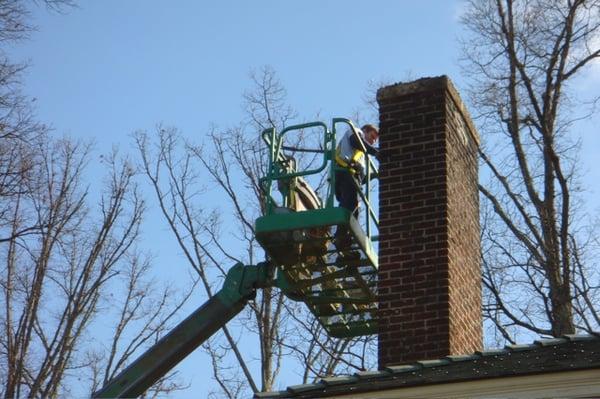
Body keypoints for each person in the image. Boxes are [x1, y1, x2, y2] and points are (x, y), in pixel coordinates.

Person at [333, 124, 379, 249]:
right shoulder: (354, 132)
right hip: (344, 172)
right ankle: (341, 236)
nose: (373, 141)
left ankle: (345, 238)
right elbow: (356, 142)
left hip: (350, 176)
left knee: (353, 208)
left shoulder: (361, 155)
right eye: (372, 136)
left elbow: (361, 178)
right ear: (365, 131)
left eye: (375, 140)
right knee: (350, 203)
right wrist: (376, 152)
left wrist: (374, 175)